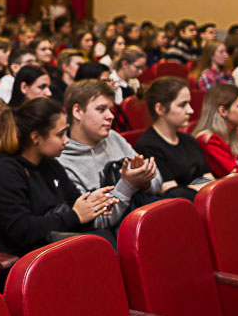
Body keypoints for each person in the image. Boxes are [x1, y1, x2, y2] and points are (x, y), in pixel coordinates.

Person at [0, 97, 117, 257]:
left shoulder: (49, 163)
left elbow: (73, 201)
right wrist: (75, 216)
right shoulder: (2, 171)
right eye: (60, 135)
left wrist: (91, 204)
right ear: (36, 138)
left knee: (105, 243)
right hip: (16, 261)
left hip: (49, 250)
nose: (66, 141)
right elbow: (21, 230)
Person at [58, 80, 169, 226]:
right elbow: (97, 221)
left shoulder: (113, 137)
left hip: (145, 223)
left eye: (110, 109)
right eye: (101, 109)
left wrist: (144, 181)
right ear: (77, 111)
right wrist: (128, 184)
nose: (110, 116)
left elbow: (157, 183)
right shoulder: (62, 159)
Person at [134, 77, 215, 196]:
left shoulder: (189, 140)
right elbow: (173, 192)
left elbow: (211, 180)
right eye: (182, 105)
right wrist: (205, 186)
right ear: (160, 109)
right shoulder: (147, 147)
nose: (191, 110)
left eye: (189, 104)